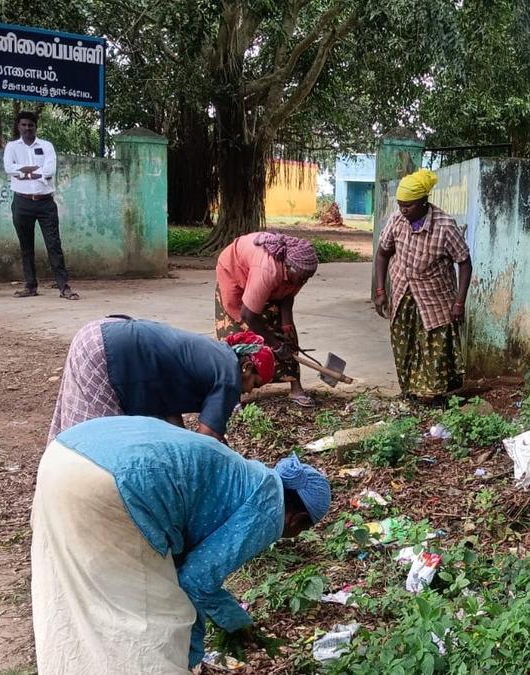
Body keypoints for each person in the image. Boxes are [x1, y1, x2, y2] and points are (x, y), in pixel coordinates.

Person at [30, 415, 330, 674]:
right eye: (302, 530)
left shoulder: (249, 476)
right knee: (154, 615)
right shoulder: (269, 509)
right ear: (297, 519)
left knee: (81, 593)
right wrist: (234, 627)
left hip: (69, 451)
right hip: (117, 482)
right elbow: (196, 581)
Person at [46, 316, 275, 443]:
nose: (248, 392)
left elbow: (171, 419)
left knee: (76, 432)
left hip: (99, 332)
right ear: (246, 367)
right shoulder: (228, 374)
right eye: (254, 384)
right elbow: (207, 442)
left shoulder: (215, 356)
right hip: (105, 351)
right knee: (94, 446)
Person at [373, 169, 473, 400]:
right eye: (400, 205)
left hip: (435, 296)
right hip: (402, 292)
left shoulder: (446, 226)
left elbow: (465, 263)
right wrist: (381, 291)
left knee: (434, 346)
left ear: (424, 202)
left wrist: (459, 302)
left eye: (408, 205)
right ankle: (409, 391)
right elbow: (382, 254)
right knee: (404, 342)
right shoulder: (397, 220)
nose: (403, 210)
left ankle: (435, 396)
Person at [214, 232, 319, 407]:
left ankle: (295, 385)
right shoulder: (267, 270)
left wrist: (286, 326)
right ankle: (232, 394)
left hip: (264, 279)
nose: (303, 280)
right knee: (237, 334)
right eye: (301, 277)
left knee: (287, 336)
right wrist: (275, 345)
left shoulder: (299, 270)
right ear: (287, 267)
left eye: (307, 278)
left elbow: (287, 295)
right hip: (235, 274)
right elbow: (248, 314)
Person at [3, 111, 79, 300]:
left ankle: (64, 287)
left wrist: (22, 171)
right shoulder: (12, 147)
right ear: (18, 126)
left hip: (45, 202)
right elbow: (8, 168)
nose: (27, 128)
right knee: (26, 245)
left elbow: (49, 170)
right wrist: (33, 171)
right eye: (24, 125)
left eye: (31, 125)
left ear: (36, 127)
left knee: (54, 244)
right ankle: (30, 286)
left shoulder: (46, 146)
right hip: (21, 202)